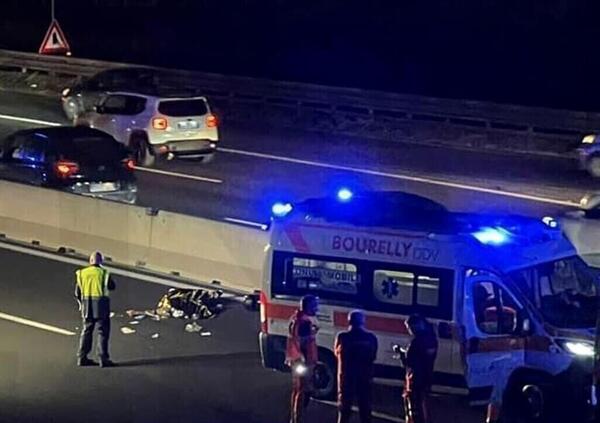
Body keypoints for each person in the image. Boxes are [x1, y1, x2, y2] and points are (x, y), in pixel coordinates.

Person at [335, 310, 378, 423]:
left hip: (346, 376)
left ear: (349, 322)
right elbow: (373, 356)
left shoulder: (342, 337)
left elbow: (337, 353)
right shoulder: (371, 338)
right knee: (365, 408)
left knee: (344, 409)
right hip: (365, 376)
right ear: (363, 322)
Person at [75, 251, 116, 368]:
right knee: (103, 332)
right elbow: (112, 286)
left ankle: (82, 357)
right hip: (101, 305)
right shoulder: (104, 273)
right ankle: (103, 359)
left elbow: (77, 292)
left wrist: (80, 304)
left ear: (90, 261)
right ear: (101, 261)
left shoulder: (82, 273)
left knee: (86, 330)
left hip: (87, 305)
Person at [286, 294, 320, 423]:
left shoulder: (296, 318)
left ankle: (294, 418)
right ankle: (297, 419)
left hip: (296, 359)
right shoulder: (304, 322)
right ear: (308, 306)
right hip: (303, 361)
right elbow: (303, 341)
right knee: (302, 391)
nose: (316, 308)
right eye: (314, 306)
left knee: (297, 390)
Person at [401, 314, 438, 423]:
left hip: (415, 378)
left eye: (409, 327)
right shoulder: (432, 339)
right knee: (424, 405)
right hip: (427, 376)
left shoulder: (416, 342)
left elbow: (409, 362)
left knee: (414, 407)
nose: (409, 330)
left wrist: (402, 354)